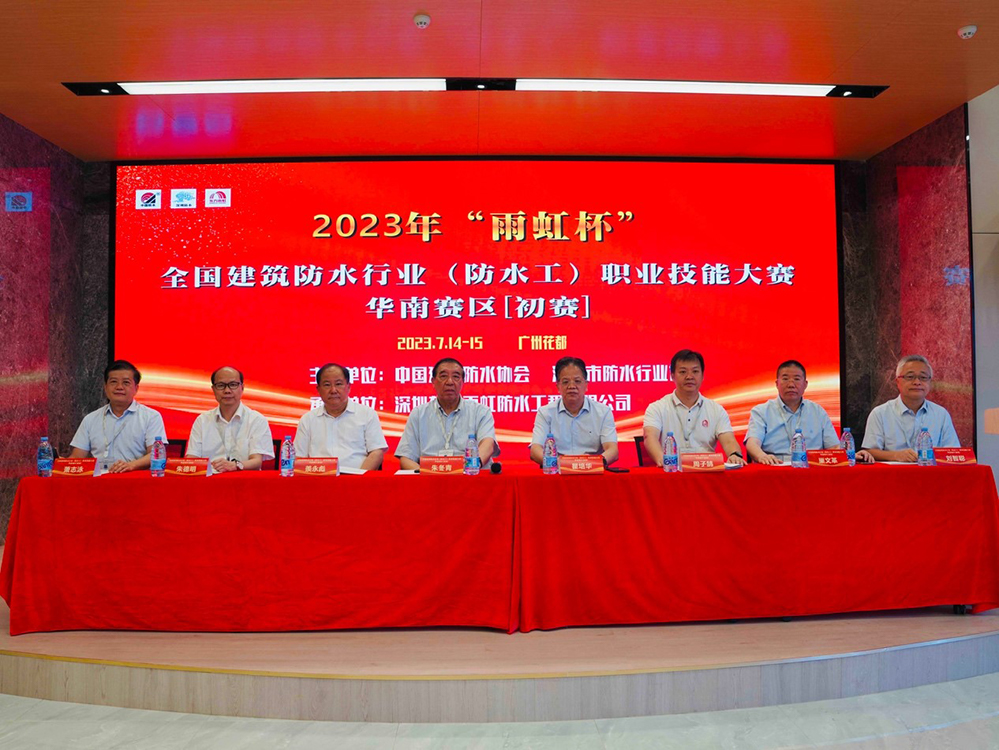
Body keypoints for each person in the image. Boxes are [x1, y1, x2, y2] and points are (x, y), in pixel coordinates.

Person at [746, 360, 874, 464]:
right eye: (785, 379)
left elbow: (833, 447)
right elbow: (752, 443)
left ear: (805, 384)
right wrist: (762, 456)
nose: (791, 384)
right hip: (775, 467)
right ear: (776, 384)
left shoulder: (818, 411)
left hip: (811, 468)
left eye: (797, 379)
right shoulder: (761, 411)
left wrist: (851, 454)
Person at [643, 349, 746, 466]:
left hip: (706, 471)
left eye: (695, 371)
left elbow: (728, 440)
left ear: (702, 376)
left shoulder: (716, 410)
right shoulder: (657, 408)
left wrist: (734, 454)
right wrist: (663, 460)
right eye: (683, 372)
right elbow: (650, 437)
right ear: (672, 376)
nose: (689, 377)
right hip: (672, 471)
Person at [395, 357, 497, 471]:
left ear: (463, 382)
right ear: (433, 381)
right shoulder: (418, 414)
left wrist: (470, 466)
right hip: (429, 477)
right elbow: (406, 458)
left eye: (456, 377)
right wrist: (426, 473)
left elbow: (488, 445)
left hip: (469, 476)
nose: (449, 382)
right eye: (443, 376)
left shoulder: (480, 412)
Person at [69, 359, 167, 474]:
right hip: (99, 481)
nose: (119, 387)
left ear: (136, 388)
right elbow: (77, 457)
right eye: (113, 382)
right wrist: (59, 464)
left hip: (135, 479)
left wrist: (131, 466)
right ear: (105, 387)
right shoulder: (90, 419)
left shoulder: (151, 417)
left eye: (126, 382)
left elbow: (155, 455)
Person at [862, 354, 960, 462]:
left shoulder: (941, 414)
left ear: (930, 382)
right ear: (898, 382)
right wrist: (895, 456)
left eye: (923, 377)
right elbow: (870, 452)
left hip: (930, 471)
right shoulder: (880, 413)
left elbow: (953, 451)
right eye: (910, 377)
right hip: (894, 472)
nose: (917, 382)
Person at [293, 363, 387, 470]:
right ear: (318, 389)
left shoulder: (367, 414)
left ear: (348, 387)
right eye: (327, 385)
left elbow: (376, 452)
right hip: (319, 477)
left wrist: (359, 477)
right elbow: (298, 457)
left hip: (356, 477)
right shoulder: (308, 419)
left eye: (338, 384)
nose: (333, 390)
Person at [530, 356, 618, 466]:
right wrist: (560, 464)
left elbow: (612, 450)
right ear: (558, 386)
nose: (571, 386)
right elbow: (535, 449)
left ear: (586, 385)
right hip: (558, 470)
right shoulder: (545, 413)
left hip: (592, 471)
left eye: (577, 381)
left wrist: (594, 463)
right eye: (565, 382)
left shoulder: (603, 412)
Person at [186, 366, 274, 472]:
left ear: (242, 388)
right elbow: (191, 459)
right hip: (210, 479)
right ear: (213, 389)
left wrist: (234, 466)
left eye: (233, 385)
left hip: (244, 479)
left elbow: (256, 461)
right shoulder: (202, 420)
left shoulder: (257, 420)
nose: (227, 390)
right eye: (221, 385)